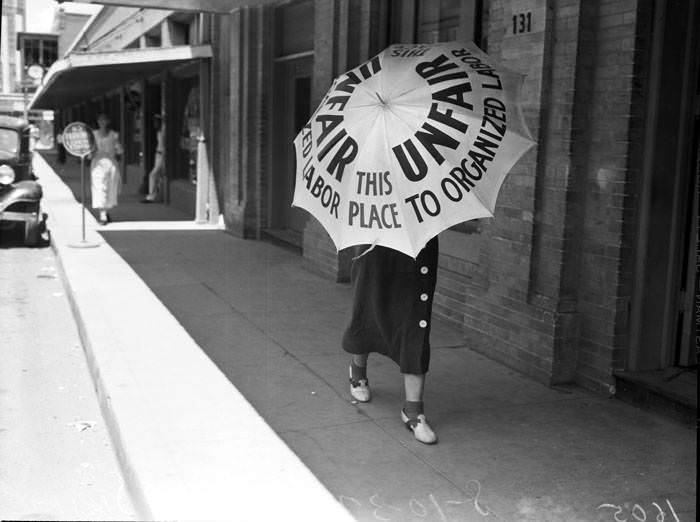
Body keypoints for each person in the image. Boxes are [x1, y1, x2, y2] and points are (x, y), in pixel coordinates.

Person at [342, 237, 439, 444]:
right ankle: (357, 370)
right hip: (375, 240)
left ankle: (413, 410)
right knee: (367, 308)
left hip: (417, 241)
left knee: (415, 322)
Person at [90, 113, 123, 225]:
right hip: (98, 164)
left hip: (111, 164)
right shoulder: (93, 135)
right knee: (100, 187)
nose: (102, 122)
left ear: (108, 121)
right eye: (100, 120)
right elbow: (89, 150)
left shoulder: (114, 135)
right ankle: (102, 214)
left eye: (104, 120)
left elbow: (119, 151)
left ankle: (106, 210)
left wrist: (117, 151)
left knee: (110, 188)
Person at [142, 114, 164, 203]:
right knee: (158, 176)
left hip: (162, 154)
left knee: (153, 174)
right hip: (157, 154)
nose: (154, 124)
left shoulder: (163, 131)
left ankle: (151, 196)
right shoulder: (158, 132)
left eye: (156, 121)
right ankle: (155, 195)